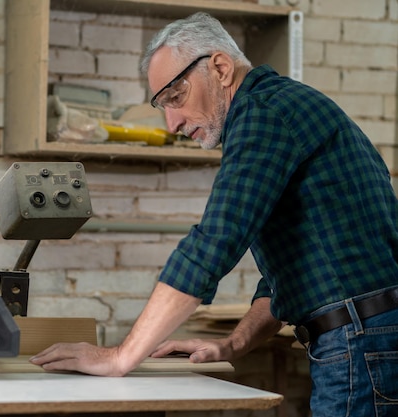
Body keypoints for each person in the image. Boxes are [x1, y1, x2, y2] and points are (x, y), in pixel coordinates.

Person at [30, 12, 398, 416]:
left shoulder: (264, 113)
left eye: (175, 97)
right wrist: (234, 344)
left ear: (220, 68)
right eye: (162, 106)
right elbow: (289, 272)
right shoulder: (282, 107)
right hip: (363, 337)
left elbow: (215, 241)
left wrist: (119, 357)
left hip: (360, 341)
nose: (171, 123)